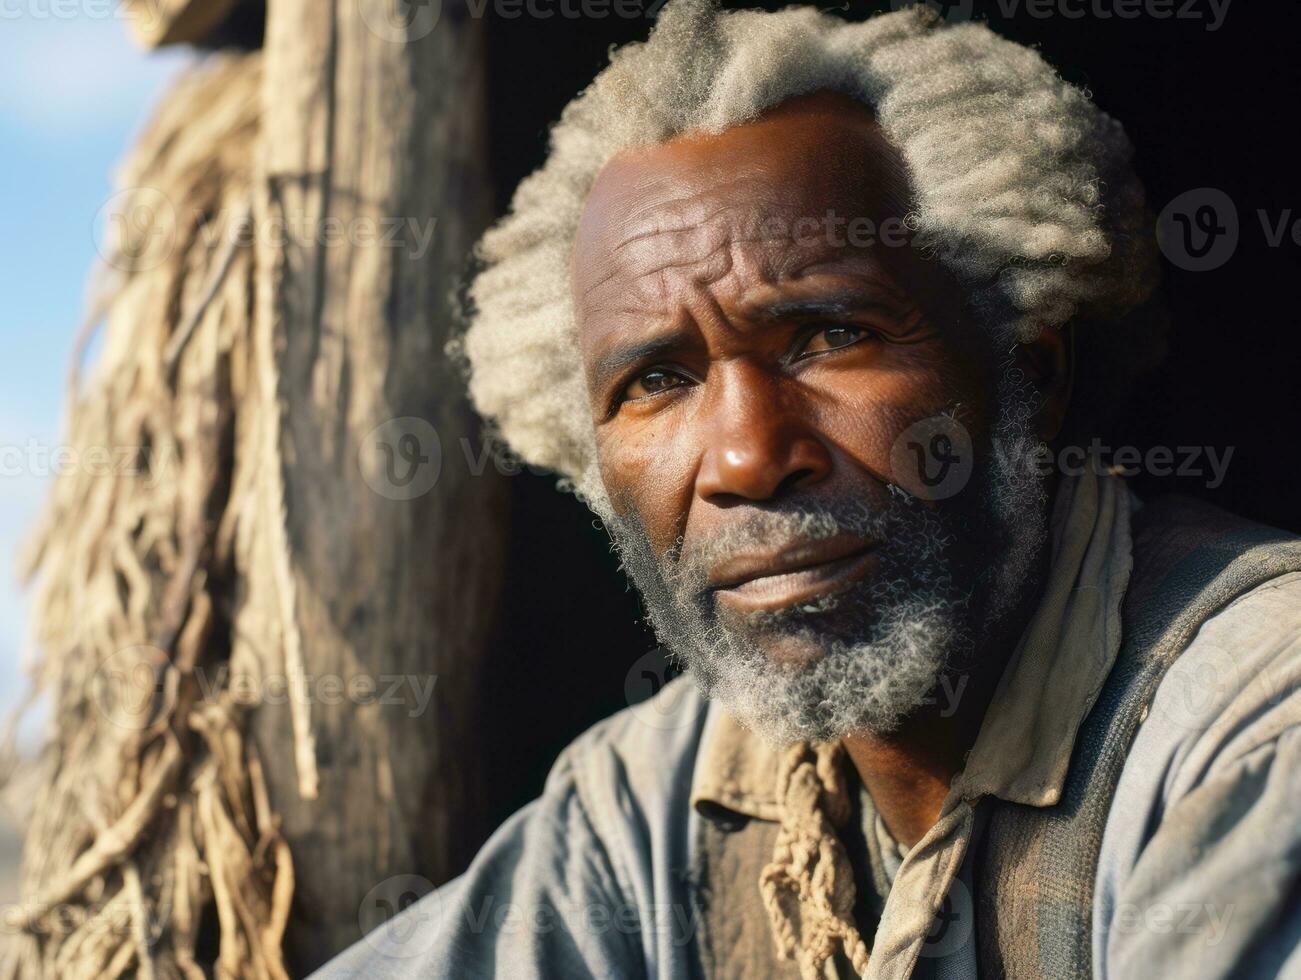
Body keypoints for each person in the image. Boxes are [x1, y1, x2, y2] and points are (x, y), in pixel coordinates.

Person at [315, 2, 1301, 977]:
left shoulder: (1253, 723)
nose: (747, 456)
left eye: (830, 335)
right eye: (655, 379)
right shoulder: (656, 801)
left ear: (1026, 371)